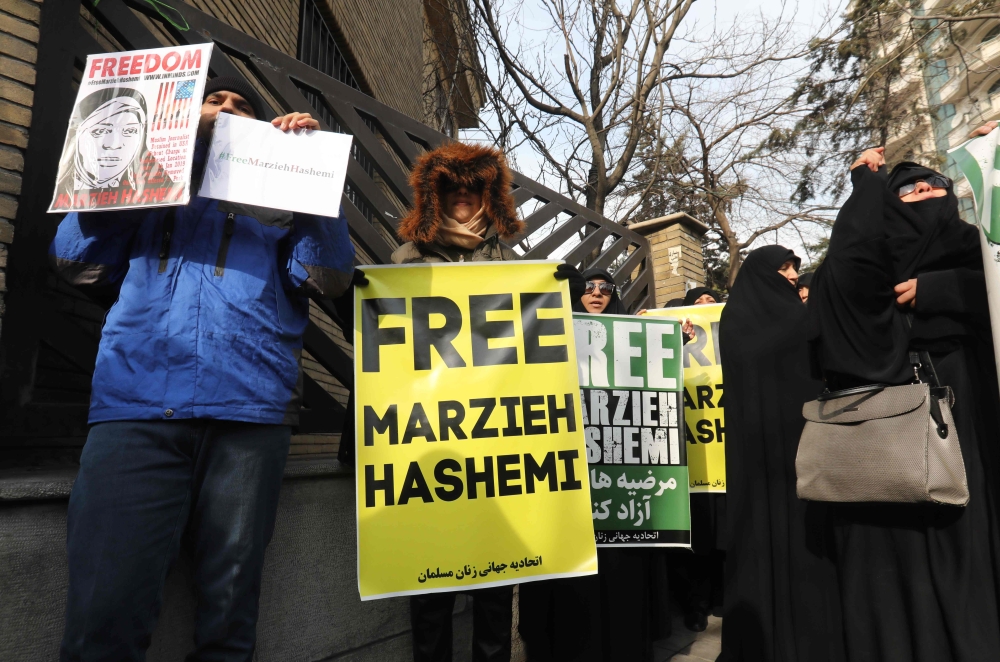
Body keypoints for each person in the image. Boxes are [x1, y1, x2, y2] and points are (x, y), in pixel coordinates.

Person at [51, 76, 354, 661]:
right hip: (135, 411)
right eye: (215, 102)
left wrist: (313, 176)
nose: (227, 110)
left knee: (229, 626)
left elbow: (329, 279)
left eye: (244, 108)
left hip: (250, 414)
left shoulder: (280, 198)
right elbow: (73, 260)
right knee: (101, 621)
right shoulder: (144, 180)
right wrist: (153, 157)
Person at [807, 143, 1000, 662]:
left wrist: (944, 289)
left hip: (973, 421)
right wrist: (867, 184)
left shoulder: (977, 250)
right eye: (908, 190)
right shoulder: (865, 268)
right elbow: (849, 266)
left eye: (934, 185)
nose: (924, 192)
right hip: (889, 443)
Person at [392, 139, 579, 662]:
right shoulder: (405, 261)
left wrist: (557, 293)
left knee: (496, 594)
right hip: (431, 439)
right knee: (430, 595)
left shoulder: (513, 265)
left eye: (474, 189)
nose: (463, 196)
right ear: (434, 196)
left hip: (497, 444)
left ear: (489, 198)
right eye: (451, 187)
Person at [518, 267, 673, 662]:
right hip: (568, 472)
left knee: (620, 573)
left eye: (606, 288)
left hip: (619, 480)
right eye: (588, 287)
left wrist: (669, 342)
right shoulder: (551, 333)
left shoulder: (634, 337)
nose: (597, 293)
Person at [717, 246, 844, 662]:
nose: (791, 275)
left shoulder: (744, 318)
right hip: (766, 455)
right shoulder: (778, 320)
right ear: (760, 272)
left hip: (799, 450)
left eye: (794, 267)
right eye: (783, 267)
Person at [51, 87, 173, 209]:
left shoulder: (163, 188)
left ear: (142, 135)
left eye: (129, 131)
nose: (114, 144)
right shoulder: (60, 189)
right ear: (78, 135)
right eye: (100, 131)